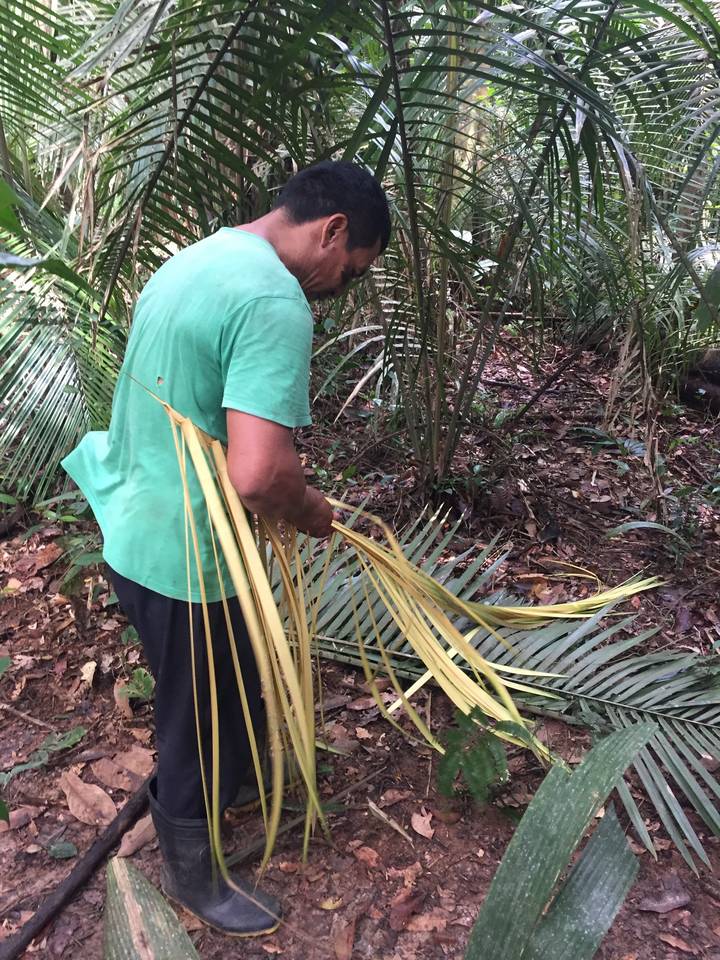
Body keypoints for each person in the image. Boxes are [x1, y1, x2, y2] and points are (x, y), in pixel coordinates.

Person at [62, 161, 391, 937]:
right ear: (333, 230)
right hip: (187, 554)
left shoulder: (200, 256)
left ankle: (234, 789)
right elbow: (258, 472)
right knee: (198, 720)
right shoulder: (274, 299)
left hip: (134, 517)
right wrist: (312, 512)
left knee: (231, 676)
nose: (338, 288)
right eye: (350, 272)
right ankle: (193, 873)